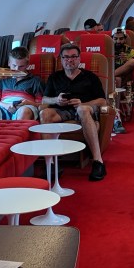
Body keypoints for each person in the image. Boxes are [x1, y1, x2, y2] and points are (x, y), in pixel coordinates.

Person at [41, 43, 109, 180]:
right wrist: (56, 100)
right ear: (61, 59)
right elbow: (44, 99)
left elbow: (103, 101)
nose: (69, 60)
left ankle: (98, 161)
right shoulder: (55, 77)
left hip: (86, 110)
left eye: (73, 57)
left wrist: (83, 103)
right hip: (62, 110)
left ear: (79, 59)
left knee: (82, 109)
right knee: (44, 113)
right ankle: (51, 162)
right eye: (66, 57)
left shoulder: (90, 77)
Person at [0, 46, 43, 121]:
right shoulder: (3, 78)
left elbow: (41, 105)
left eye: (21, 66)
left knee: (24, 111)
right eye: (14, 65)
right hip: (4, 106)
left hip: (26, 107)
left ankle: (18, 128)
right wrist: (6, 106)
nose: (17, 69)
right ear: (9, 63)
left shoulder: (35, 81)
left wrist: (28, 103)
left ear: (27, 65)